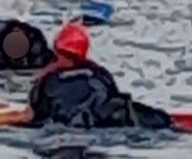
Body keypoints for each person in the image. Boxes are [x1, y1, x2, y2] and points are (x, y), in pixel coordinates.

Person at [28, 23, 173, 130]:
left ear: (57, 48)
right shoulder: (100, 74)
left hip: (63, 131)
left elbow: (35, 114)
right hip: (104, 128)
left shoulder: (45, 80)